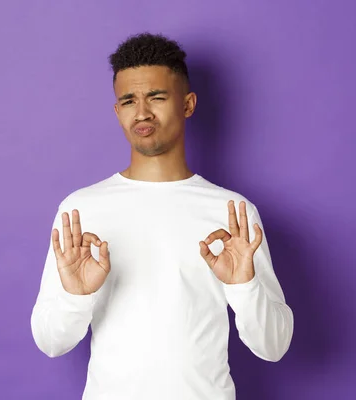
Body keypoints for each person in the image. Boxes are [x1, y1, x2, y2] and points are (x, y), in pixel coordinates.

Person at [30, 32, 294, 400]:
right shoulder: (80, 211)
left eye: (156, 97)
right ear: (117, 110)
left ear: (187, 104)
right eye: (128, 100)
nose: (142, 112)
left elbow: (274, 345)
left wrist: (244, 287)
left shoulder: (232, 213)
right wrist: (76, 296)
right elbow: (50, 342)